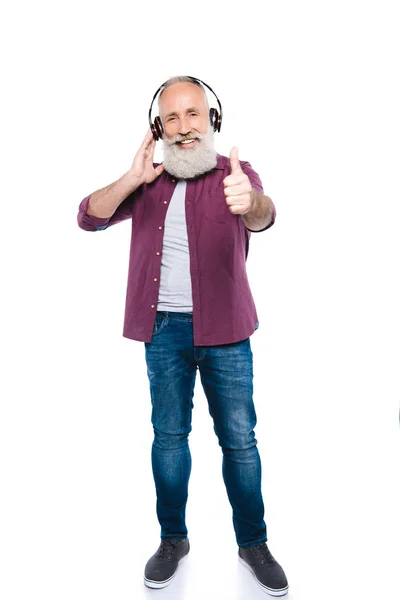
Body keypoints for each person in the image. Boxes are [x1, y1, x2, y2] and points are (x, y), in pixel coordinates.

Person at [77, 75, 289, 596]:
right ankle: (173, 539)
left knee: (240, 442)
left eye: (193, 113)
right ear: (159, 126)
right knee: (169, 439)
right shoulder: (147, 181)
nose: (183, 126)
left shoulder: (234, 174)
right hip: (164, 332)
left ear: (212, 119)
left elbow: (264, 214)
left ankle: (253, 543)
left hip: (227, 332)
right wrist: (130, 178)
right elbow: (88, 217)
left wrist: (251, 202)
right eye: (171, 117)